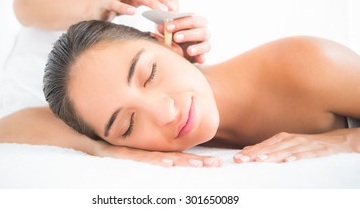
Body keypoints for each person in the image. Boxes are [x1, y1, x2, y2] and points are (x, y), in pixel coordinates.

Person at [0, 0, 215, 168]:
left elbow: (167, 3)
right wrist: (95, 8)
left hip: (133, 74)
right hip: (40, 76)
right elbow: (25, 2)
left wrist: (177, 43)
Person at [41, 20, 360, 165]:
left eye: (150, 74)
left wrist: (342, 141)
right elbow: (7, 126)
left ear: (169, 44)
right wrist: (101, 150)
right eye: (128, 125)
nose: (165, 114)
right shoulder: (108, 135)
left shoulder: (306, 63)